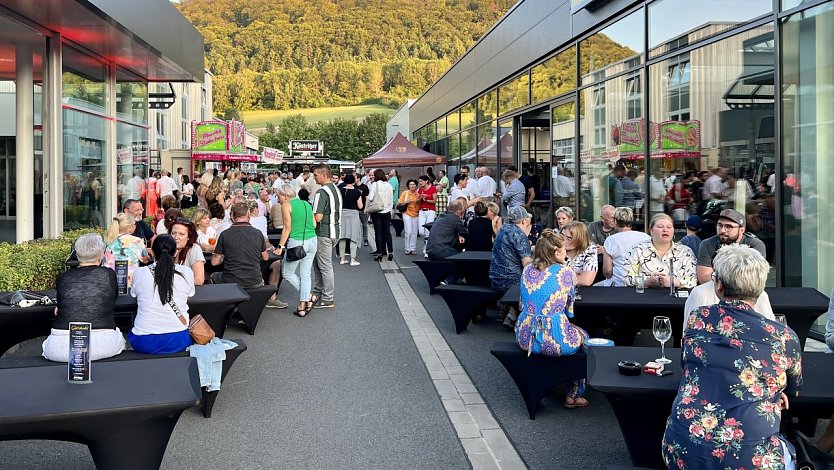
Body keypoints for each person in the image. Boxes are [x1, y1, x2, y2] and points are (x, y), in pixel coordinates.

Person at [662, 244, 802, 469]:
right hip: (751, 459)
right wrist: (775, 389)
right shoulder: (784, 336)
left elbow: (688, 365)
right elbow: (793, 388)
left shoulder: (697, 318)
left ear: (718, 286)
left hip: (683, 450)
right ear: (760, 287)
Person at [515, 229, 588, 408]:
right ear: (556, 253)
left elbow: (522, 304)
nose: (566, 253)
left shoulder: (527, 270)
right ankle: (573, 394)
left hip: (526, 336)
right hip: (554, 339)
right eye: (564, 250)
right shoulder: (566, 272)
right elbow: (569, 311)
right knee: (584, 338)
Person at [42, 233, 125, 362]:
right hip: (103, 344)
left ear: (77, 255)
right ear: (101, 256)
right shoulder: (108, 274)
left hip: (59, 348)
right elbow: (112, 298)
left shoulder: (63, 277)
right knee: (120, 337)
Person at [682, 246, 774, 334]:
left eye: (714, 276)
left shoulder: (698, 316)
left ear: (720, 285)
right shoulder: (779, 334)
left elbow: (687, 337)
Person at [129, 235, 195, 354]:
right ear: (175, 252)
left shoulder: (139, 272)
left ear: (153, 253)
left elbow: (134, 294)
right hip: (179, 340)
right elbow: (191, 293)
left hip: (144, 341)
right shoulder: (186, 272)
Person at [273, 184, 318, 316]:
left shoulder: (286, 205)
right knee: (305, 274)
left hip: (297, 242)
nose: (278, 199)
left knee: (287, 272)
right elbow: (314, 224)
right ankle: (302, 305)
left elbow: (287, 227)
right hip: (312, 240)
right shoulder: (306, 204)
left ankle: (308, 297)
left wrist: (280, 246)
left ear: (285, 196)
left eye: (279, 196)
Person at [490, 206, 534, 328]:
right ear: (523, 221)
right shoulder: (519, 234)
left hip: (495, 277)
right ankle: (514, 316)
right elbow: (527, 263)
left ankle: (509, 312)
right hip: (511, 281)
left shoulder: (503, 229)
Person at [625, 213, 697, 289]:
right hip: (645, 295)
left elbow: (692, 279)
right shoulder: (638, 250)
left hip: (675, 296)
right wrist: (647, 282)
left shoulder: (685, 252)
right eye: (660, 227)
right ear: (651, 231)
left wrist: (675, 282)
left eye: (669, 227)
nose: (665, 230)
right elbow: (627, 278)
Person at [210, 202, 271, 290]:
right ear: (248, 215)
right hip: (255, 281)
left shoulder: (225, 234)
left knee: (213, 276)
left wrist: (222, 255)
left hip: (231, 280)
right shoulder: (258, 233)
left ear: (232, 216)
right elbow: (265, 257)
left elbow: (214, 262)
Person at [696, 208, 766, 284]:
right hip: (714, 290)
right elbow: (704, 278)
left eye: (728, 227)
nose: (722, 230)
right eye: (720, 225)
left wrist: (719, 278)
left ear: (742, 230)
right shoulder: (707, 244)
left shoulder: (754, 245)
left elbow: (755, 279)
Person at [310, 164, 342, 309]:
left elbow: (317, 217)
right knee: (320, 264)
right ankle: (318, 292)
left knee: (323, 266)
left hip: (323, 232)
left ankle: (327, 297)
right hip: (335, 231)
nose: (314, 178)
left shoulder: (321, 192)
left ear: (323, 175)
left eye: (315, 175)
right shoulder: (336, 189)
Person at [600, 207, 650, 286]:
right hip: (642, 283)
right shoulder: (646, 237)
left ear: (615, 221)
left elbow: (607, 271)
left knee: (594, 287)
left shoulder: (610, 240)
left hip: (618, 285)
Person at [105, 212, 150, 288]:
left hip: (111, 279)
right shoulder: (137, 241)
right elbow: (144, 259)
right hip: (130, 280)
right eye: (135, 224)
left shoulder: (110, 240)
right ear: (130, 227)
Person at [170, 217, 206, 286]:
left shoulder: (194, 249)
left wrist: (171, 282)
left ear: (189, 237)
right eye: (173, 233)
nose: (176, 237)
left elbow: (199, 280)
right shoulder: (168, 249)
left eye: (181, 234)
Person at [368, 168, 394, 262]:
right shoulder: (389, 185)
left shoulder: (375, 184)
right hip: (387, 211)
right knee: (387, 232)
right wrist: (390, 210)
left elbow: (370, 198)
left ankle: (379, 253)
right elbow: (391, 199)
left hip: (377, 211)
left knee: (378, 232)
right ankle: (390, 252)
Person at [561, 221, 598, 287]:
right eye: (562, 236)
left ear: (579, 240)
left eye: (569, 238)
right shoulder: (556, 248)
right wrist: (576, 276)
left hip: (580, 291)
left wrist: (562, 278)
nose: (562, 240)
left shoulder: (590, 249)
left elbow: (586, 280)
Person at [338, 174, 364, 266]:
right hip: (353, 215)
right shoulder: (357, 192)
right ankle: (353, 260)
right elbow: (360, 206)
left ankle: (342, 259)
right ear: (353, 181)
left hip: (342, 214)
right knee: (353, 236)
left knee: (342, 236)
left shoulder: (340, 190)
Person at [398, 179, 421, 255]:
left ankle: (413, 248)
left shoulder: (418, 193)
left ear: (416, 185)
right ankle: (407, 248)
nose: (412, 186)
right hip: (407, 213)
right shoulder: (405, 193)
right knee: (408, 231)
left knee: (414, 232)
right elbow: (399, 202)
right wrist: (405, 202)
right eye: (410, 184)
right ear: (408, 186)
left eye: (414, 184)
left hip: (416, 214)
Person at [417, 175, 437, 239]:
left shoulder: (433, 188)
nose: (420, 183)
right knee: (421, 231)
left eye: (422, 181)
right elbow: (418, 201)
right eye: (419, 181)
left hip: (430, 210)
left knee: (428, 230)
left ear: (426, 181)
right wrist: (421, 198)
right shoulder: (420, 189)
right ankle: (426, 240)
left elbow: (435, 201)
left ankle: (427, 243)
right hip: (421, 210)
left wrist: (426, 200)